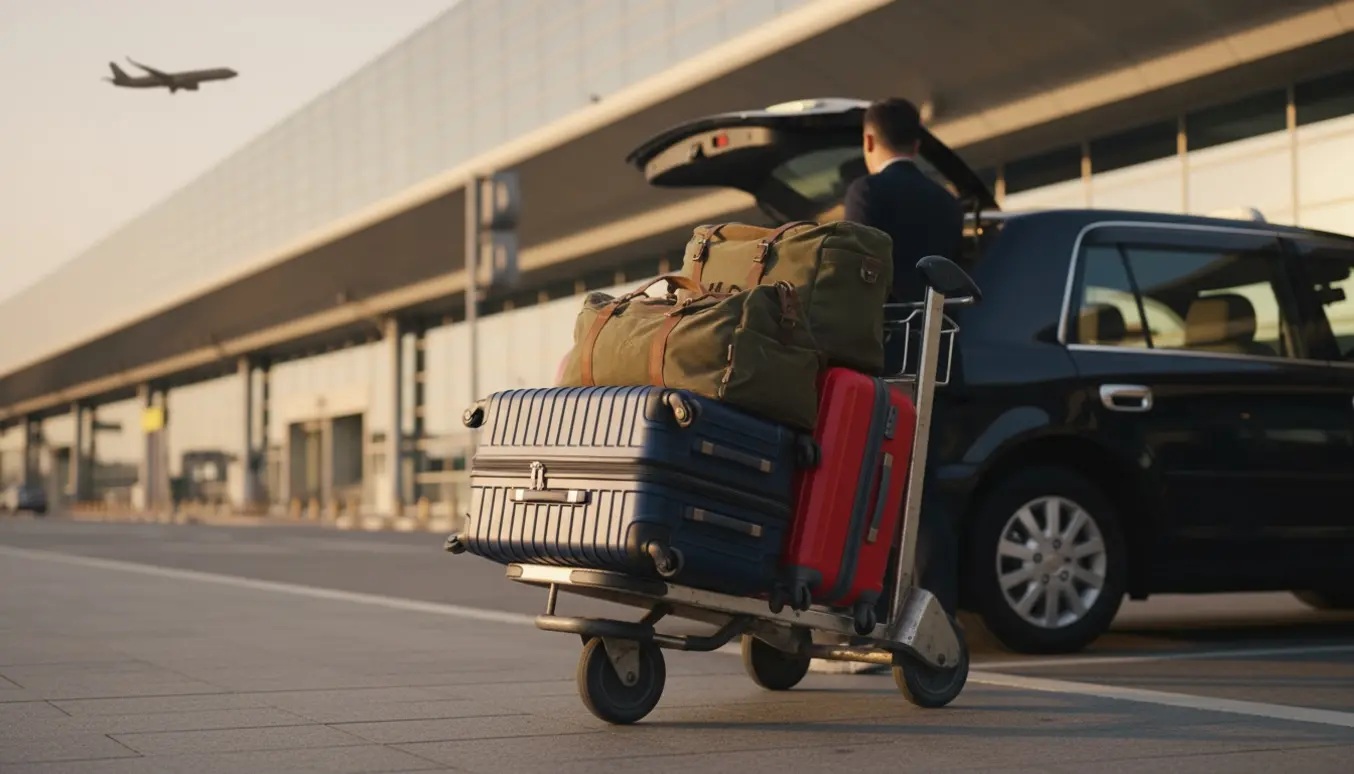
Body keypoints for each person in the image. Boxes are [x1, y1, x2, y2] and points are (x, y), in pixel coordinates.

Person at [810, 97, 964, 675]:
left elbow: (856, 277)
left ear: (867, 143)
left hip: (882, 359)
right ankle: (935, 620)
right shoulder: (947, 202)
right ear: (919, 145)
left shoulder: (867, 195)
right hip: (935, 358)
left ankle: (866, 617)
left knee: (870, 486)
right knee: (927, 497)